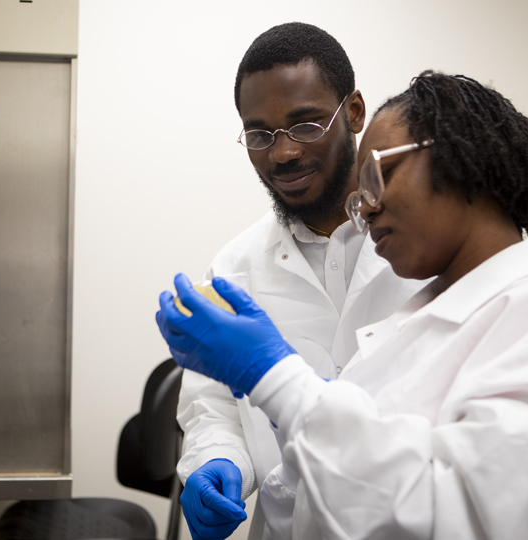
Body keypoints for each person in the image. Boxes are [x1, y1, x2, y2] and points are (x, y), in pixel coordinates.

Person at [158, 71, 528, 540]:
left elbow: (464, 517)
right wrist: (235, 453)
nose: (367, 209)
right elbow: (331, 485)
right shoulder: (430, 315)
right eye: (360, 197)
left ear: (463, 153)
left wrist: (276, 382)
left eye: (377, 176)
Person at [174, 22, 427, 540]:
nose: (282, 153)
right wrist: (218, 462)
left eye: (306, 124)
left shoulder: (423, 250)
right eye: (260, 133)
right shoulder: (234, 268)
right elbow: (214, 407)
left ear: (353, 112)